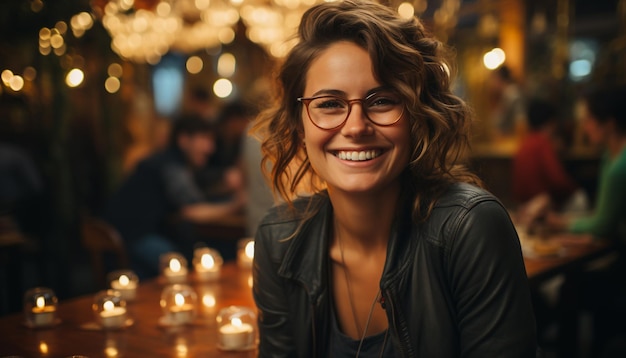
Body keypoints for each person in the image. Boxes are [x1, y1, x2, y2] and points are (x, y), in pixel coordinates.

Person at [250, 1, 537, 357]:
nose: (356, 127)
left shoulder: (469, 227)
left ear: (418, 116)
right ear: (298, 124)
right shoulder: (278, 238)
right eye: (329, 104)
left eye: (382, 100)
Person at [104, 114, 244, 279]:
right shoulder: (171, 167)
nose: (210, 148)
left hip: (126, 234)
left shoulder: (167, 161)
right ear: (184, 140)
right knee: (183, 265)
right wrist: (237, 204)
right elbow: (192, 210)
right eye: (205, 139)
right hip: (130, 237)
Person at [545, 84, 626, 240]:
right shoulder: (609, 155)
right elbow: (602, 214)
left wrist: (561, 223)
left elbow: (604, 226)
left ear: (609, 124)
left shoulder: (620, 167)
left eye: (589, 119)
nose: (584, 126)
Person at [512, 98, 585, 229]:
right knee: (580, 198)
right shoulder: (542, 143)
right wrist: (574, 188)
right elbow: (558, 181)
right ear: (552, 122)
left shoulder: (524, 144)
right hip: (542, 208)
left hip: (524, 206)